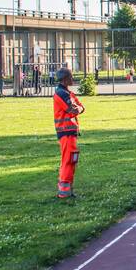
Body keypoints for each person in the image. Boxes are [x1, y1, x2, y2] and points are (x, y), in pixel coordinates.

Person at [53, 68, 84, 199]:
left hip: (71, 131)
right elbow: (72, 109)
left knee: (72, 159)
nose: (72, 79)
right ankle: (64, 190)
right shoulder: (61, 93)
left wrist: (78, 108)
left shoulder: (68, 93)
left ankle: (68, 188)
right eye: (71, 77)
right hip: (65, 131)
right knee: (68, 160)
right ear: (65, 79)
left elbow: (81, 107)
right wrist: (77, 109)